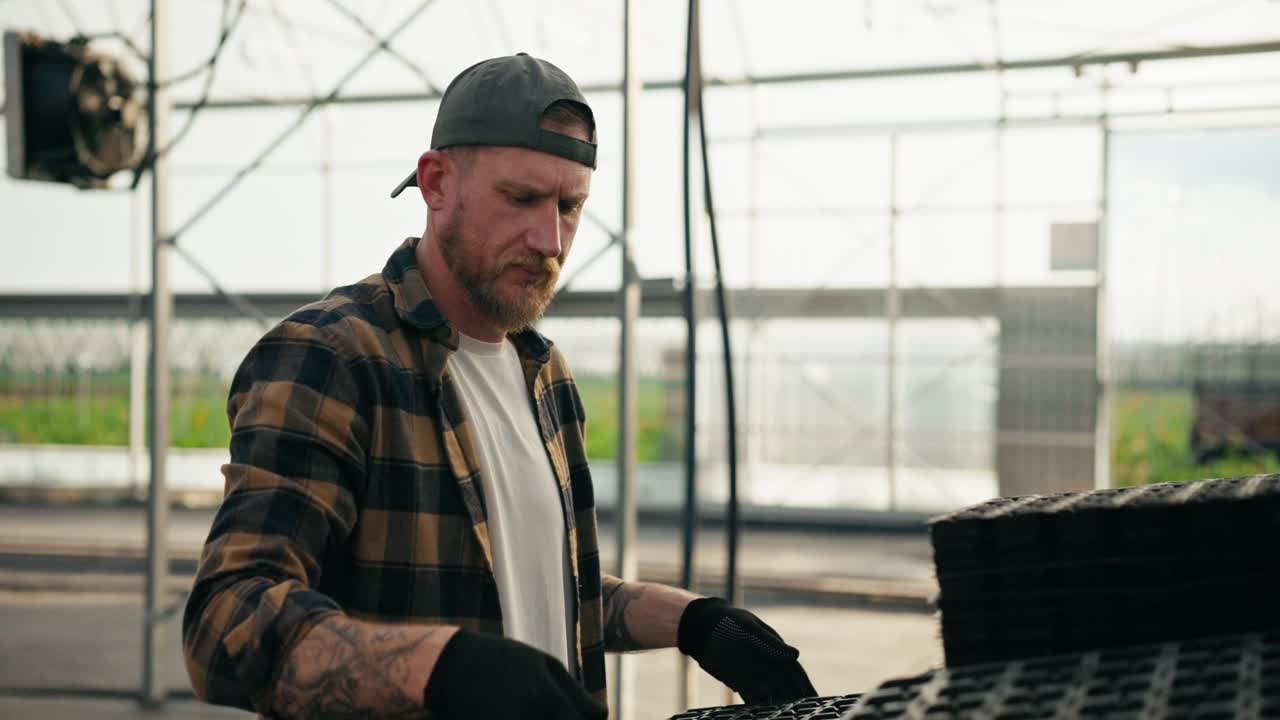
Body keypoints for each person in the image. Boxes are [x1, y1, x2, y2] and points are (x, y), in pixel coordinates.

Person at [182, 53, 816, 719]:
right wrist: (441, 668)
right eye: (521, 199)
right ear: (436, 183)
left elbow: (536, 582)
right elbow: (227, 623)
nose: (549, 239)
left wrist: (691, 620)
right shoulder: (335, 358)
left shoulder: (545, 375)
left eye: (570, 207)